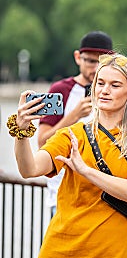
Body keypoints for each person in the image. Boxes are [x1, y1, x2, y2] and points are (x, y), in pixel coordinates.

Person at [7, 53, 127, 258]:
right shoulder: (73, 134)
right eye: (100, 83)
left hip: (114, 251)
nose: (104, 91)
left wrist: (85, 171)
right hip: (63, 248)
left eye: (115, 85)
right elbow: (30, 169)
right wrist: (22, 132)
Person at [38, 31, 114, 215]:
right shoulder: (59, 90)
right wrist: (73, 116)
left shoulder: (116, 92)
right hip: (63, 193)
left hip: (107, 193)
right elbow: (42, 142)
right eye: (90, 61)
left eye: (101, 62)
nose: (95, 68)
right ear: (77, 57)